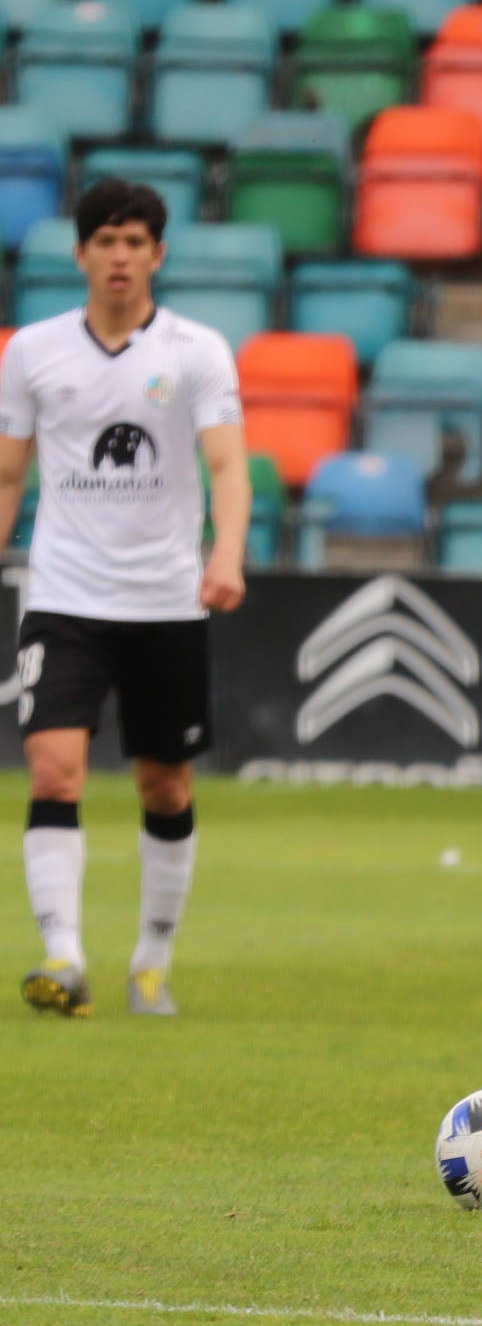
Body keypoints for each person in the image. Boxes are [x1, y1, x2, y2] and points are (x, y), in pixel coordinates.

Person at [0, 180, 249, 1020]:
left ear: (158, 254)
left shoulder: (194, 351)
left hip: (165, 602)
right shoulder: (32, 350)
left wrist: (226, 551)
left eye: (136, 242)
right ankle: (63, 955)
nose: (119, 256)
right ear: (80, 253)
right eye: (105, 240)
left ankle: (151, 959)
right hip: (65, 595)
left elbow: (226, 466)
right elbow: (7, 473)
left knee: (165, 786)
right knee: (52, 765)